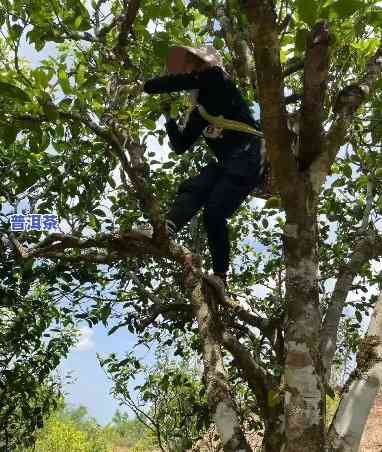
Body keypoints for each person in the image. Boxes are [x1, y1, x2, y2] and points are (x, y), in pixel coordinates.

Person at [141, 44, 265, 290]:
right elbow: (180, 145)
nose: (192, 70)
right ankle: (166, 227)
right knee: (198, 184)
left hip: (250, 156)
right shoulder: (200, 112)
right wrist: (168, 118)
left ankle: (220, 276)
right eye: (190, 66)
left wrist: (146, 86)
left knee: (214, 213)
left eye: (197, 64)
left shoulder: (219, 80)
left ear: (208, 65)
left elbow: (184, 81)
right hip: (228, 163)